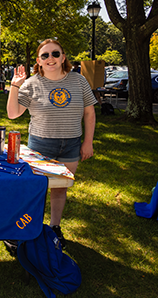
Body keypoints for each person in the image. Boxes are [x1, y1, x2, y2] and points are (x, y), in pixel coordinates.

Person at [7, 39, 96, 248]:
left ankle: (55, 228)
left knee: (60, 189)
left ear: (63, 57)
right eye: (45, 55)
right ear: (38, 61)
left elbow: (89, 113)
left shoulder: (79, 81)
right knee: (35, 189)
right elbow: (12, 114)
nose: (51, 59)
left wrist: (88, 142)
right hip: (41, 145)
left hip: (71, 144)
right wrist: (15, 86)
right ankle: (27, 229)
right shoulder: (31, 84)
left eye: (55, 54)